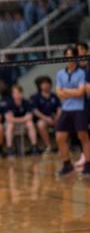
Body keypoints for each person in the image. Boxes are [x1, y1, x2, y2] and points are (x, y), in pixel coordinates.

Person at [56, 46, 90, 176]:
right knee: (60, 137)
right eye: (67, 56)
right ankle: (66, 164)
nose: (69, 59)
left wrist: (66, 91)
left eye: (72, 55)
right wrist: (72, 92)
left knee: (83, 136)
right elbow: (59, 92)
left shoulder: (82, 73)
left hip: (79, 109)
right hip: (66, 109)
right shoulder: (60, 73)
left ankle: (88, 163)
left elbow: (81, 92)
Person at [5, 84, 39, 157]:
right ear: (12, 94)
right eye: (14, 93)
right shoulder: (9, 103)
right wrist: (21, 119)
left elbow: (29, 117)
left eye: (18, 93)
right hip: (15, 123)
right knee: (10, 125)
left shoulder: (26, 102)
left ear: (21, 93)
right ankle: (10, 148)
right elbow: (8, 118)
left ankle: (34, 146)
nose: (16, 95)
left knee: (30, 123)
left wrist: (16, 119)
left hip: (24, 123)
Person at [31, 76, 61, 153]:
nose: (46, 85)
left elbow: (59, 108)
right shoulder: (36, 97)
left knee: (62, 122)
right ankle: (48, 146)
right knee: (40, 124)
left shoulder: (54, 96)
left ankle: (61, 145)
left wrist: (57, 117)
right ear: (39, 86)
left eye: (47, 83)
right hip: (43, 119)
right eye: (43, 84)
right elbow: (35, 111)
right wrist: (46, 118)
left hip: (55, 118)